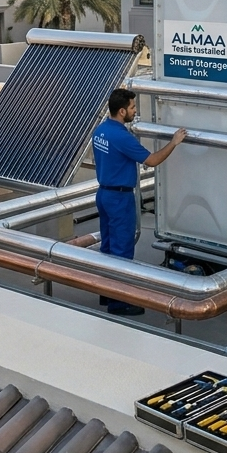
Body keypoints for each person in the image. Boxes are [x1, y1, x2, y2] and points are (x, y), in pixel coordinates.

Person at [91, 88, 186, 316]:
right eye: (133, 108)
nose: (135, 111)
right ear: (122, 111)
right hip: (119, 198)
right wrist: (174, 142)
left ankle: (107, 292)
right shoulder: (121, 136)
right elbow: (151, 160)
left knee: (108, 246)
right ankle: (119, 302)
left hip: (103, 194)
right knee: (122, 249)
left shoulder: (101, 131)